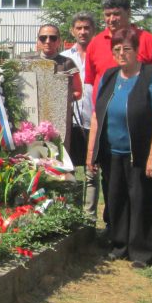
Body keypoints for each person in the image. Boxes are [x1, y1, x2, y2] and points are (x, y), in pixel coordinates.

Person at [85, 28, 152, 268]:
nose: (122, 54)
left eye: (127, 49)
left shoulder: (151, 75)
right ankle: (119, 244)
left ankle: (142, 251)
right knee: (116, 199)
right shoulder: (110, 76)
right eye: (117, 49)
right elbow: (96, 115)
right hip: (112, 152)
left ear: (137, 50)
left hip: (140, 154)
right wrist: (92, 152)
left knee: (142, 200)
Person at [82, 0, 152, 89]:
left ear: (128, 13)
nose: (111, 19)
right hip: (104, 103)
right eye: (107, 15)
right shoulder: (95, 44)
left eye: (116, 14)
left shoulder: (148, 41)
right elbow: (90, 82)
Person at [61, 12, 100, 218]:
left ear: (93, 30)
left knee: (92, 172)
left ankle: (90, 217)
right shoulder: (66, 58)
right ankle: (74, 216)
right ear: (72, 31)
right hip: (72, 122)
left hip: (95, 121)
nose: (83, 31)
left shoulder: (102, 54)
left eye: (86, 27)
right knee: (71, 171)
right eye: (79, 28)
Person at [35, 24, 83, 141]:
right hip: (35, 118)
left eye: (53, 38)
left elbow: (78, 92)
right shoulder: (30, 62)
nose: (48, 41)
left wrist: (59, 99)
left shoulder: (67, 63)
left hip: (60, 120)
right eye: (43, 38)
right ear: (38, 41)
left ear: (59, 41)